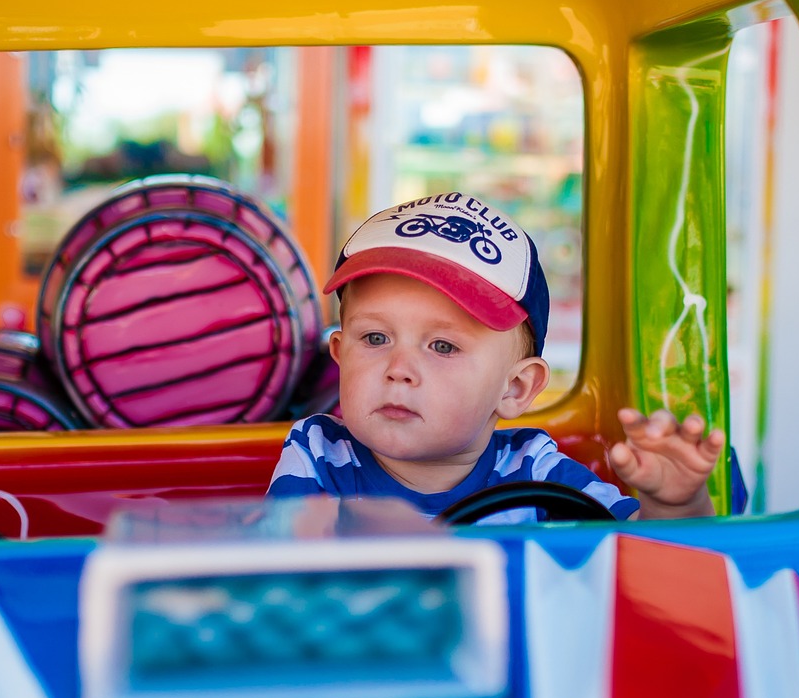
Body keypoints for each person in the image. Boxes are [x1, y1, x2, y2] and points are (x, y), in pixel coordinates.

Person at [267, 192, 725, 524]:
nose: (398, 370)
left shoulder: (536, 468)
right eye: (374, 338)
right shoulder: (317, 453)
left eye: (442, 346)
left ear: (515, 388)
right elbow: (280, 583)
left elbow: (645, 565)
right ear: (340, 354)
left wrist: (675, 506)